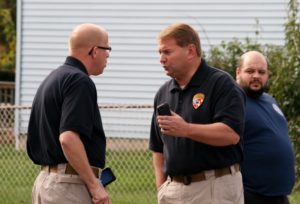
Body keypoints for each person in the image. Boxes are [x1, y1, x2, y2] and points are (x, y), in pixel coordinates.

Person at [149, 22, 246, 204]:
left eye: (167, 52)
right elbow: (157, 147)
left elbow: (231, 134)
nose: (161, 59)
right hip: (173, 190)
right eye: (160, 53)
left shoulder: (221, 84)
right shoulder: (163, 93)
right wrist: (162, 188)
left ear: (190, 51)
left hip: (214, 187)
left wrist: (186, 129)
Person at [26, 23, 112, 204]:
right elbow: (68, 138)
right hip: (68, 186)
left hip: (46, 182)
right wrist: (94, 185)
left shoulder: (53, 78)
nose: (108, 55)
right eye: (107, 49)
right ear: (94, 51)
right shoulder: (79, 81)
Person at [236, 50, 295, 204]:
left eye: (261, 72)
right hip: (251, 194)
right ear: (238, 73)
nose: (256, 75)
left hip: (278, 195)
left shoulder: (269, 100)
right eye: (250, 71)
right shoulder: (233, 101)